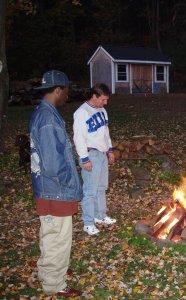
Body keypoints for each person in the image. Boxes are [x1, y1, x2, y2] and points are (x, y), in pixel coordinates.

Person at [30, 70, 83, 297]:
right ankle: (54, 283)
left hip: (49, 190)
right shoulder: (48, 119)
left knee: (50, 234)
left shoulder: (43, 113)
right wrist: (69, 182)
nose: (68, 95)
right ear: (58, 90)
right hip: (56, 191)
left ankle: (49, 271)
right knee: (58, 239)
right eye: (67, 90)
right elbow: (52, 165)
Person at [73, 83, 116, 235]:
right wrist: (85, 159)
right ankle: (88, 222)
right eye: (103, 99)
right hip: (91, 154)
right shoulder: (82, 112)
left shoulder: (102, 111)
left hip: (102, 154)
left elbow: (106, 133)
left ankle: (100, 215)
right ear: (94, 96)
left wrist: (110, 150)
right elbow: (78, 138)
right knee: (90, 191)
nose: (105, 103)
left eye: (107, 100)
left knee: (101, 187)